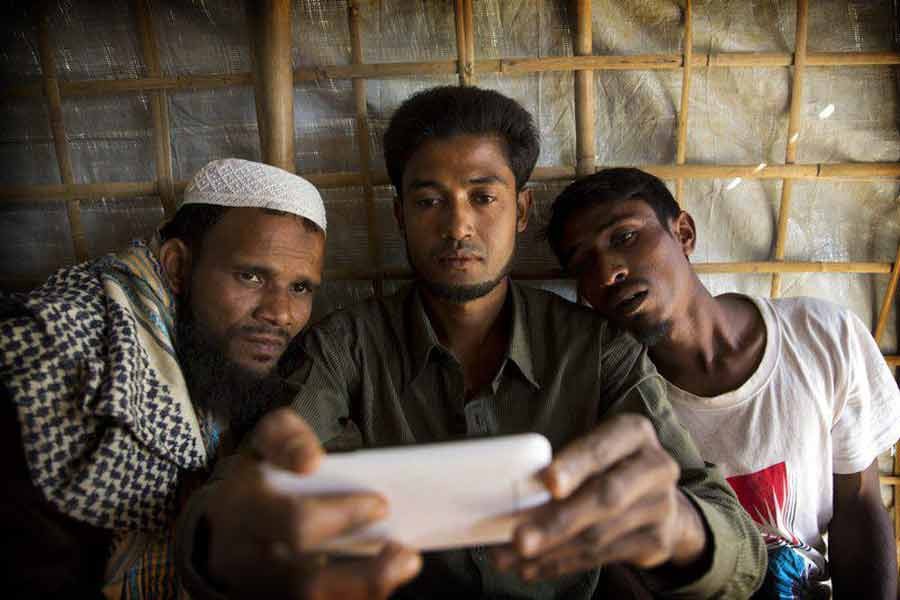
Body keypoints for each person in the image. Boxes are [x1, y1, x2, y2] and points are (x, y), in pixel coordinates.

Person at [176, 87, 765, 599]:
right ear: (400, 215)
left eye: (483, 197)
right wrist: (222, 542)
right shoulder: (346, 348)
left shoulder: (599, 352)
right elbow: (244, 488)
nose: (458, 227)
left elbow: (740, 552)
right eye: (430, 201)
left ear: (521, 210)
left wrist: (684, 530)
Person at [545, 167, 900, 598]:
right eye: (582, 261)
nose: (607, 273)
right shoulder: (609, 397)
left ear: (684, 233)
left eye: (624, 237)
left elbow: (859, 505)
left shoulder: (822, 336)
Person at [1, 158, 327, 599]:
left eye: (301, 287)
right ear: (176, 267)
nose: (281, 313)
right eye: (251, 276)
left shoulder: (219, 355)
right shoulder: (63, 348)